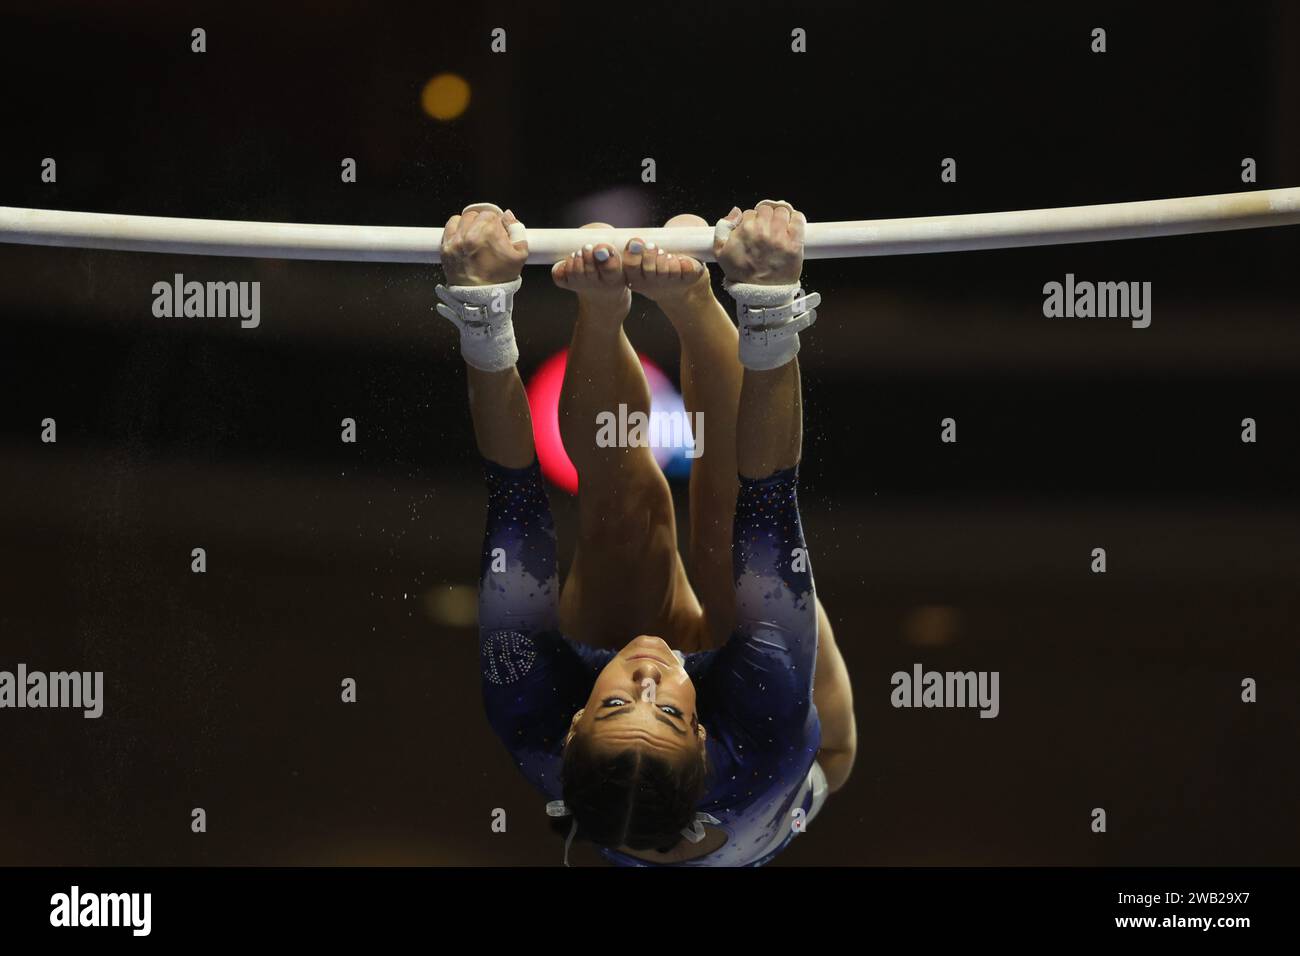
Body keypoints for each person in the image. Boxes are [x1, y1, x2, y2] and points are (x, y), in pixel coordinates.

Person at [437, 199, 856, 865]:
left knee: (619, 520)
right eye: (666, 711)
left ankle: (602, 308)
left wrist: (481, 312)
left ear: (573, 725)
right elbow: (770, 496)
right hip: (809, 753)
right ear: (701, 736)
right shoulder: (761, 727)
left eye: (614, 705)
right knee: (728, 521)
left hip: (640, 745)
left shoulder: (525, 708)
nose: (647, 676)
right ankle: (691, 295)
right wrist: (770, 299)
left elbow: (512, 493)